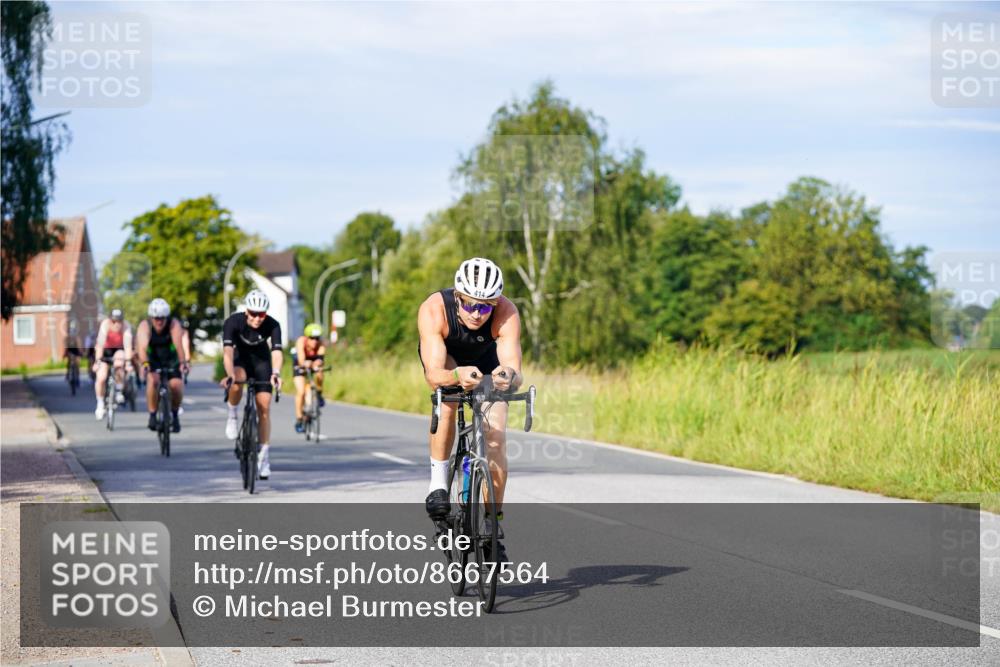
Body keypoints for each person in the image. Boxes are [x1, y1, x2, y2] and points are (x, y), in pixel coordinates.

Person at [417, 257, 522, 560]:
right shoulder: (435, 309)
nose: (478, 313)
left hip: (488, 362)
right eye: (471, 305)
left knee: (496, 436)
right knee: (448, 402)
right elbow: (432, 375)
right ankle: (438, 485)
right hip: (447, 361)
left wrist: (507, 377)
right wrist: (454, 376)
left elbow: (514, 368)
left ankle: (492, 522)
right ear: (458, 297)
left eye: (486, 306)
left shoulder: (507, 312)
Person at [219, 289, 283, 480]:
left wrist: (276, 373)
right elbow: (228, 352)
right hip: (240, 360)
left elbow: (277, 352)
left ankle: (264, 458)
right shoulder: (233, 322)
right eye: (253, 313)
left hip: (262, 362)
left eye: (261, 314)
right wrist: (229, 374)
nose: (257, 318)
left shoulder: (273, 325)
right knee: (237, 381)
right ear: (247, 311)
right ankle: (232, 414)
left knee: (264, 407)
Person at [135, 298, 189, 433]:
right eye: (156, 318)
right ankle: (152, 415)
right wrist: (145, 363)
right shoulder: (145, 325)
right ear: (151, 318)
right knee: (153, 380)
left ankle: (175, 416)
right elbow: (142, 349)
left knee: (176, 385)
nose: (159, 321)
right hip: (152, 358)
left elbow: (178, 345)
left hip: (171, 358)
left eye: (162, 318)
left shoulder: (174, 324)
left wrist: (183, 363)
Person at [94, 308, 134, 419]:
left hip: (119, 349)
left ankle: (119, 389)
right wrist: (97, 361)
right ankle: (100, 403)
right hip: (106, 350)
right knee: (101, 377)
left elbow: (128, 346)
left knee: (119, 361)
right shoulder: (105, 325)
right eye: (114, 321)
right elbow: (100, 344)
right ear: (110, 320)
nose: (117, 324)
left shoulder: (126, 326)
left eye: (119, 321)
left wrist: (129, 362)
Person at [292, 322, 327, 433]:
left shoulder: (321, 344)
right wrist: (306, 364)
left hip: (312, 365)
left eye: (317, 338)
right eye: (312, 338)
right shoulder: (301, 341)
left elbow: (321, 359)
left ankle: (319, 393)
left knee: (320, 372)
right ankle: (299, 419)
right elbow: (301, 359)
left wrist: (317, 363)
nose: (315, 341)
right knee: (301, 391)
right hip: (300, 366)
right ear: (307, 337)